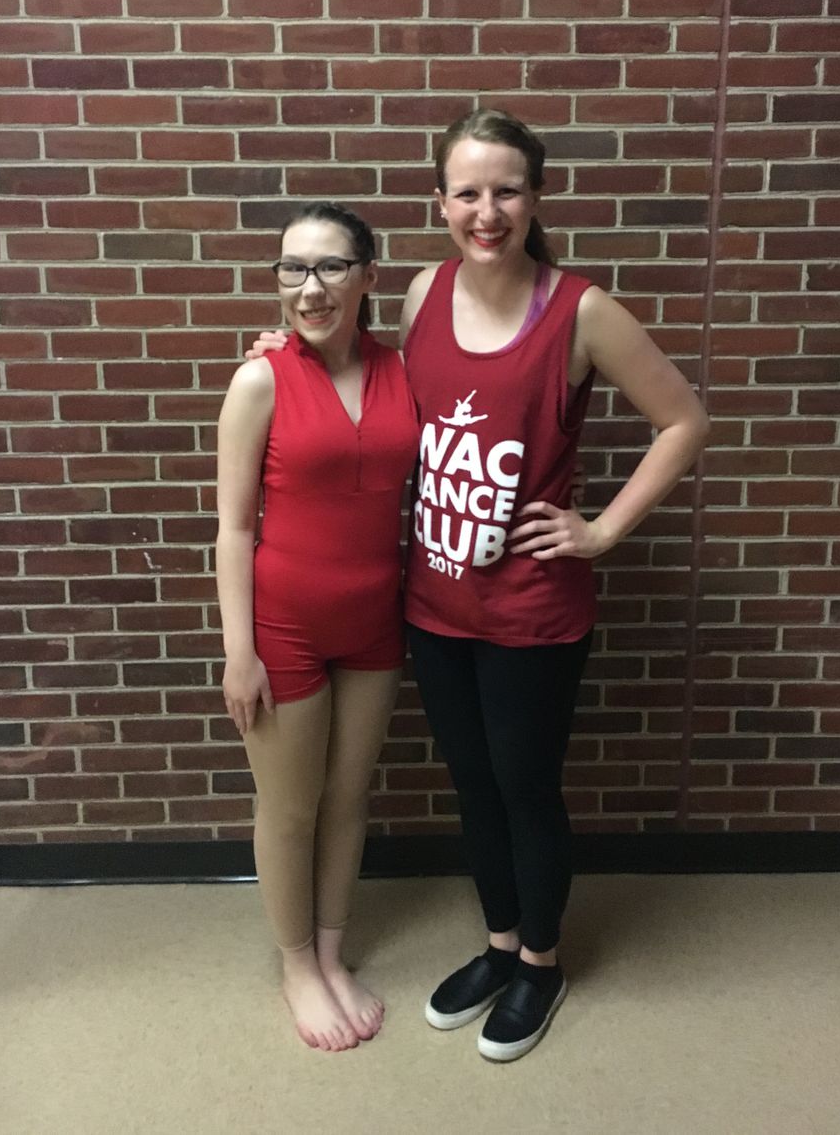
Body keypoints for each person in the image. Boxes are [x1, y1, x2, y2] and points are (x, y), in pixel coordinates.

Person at [251, 108, 710, 1062]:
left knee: (525, 787)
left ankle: (541, 962)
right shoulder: (422, 293)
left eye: (506, 190)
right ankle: (500, 944)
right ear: (442, 202)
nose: (486, 210)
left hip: (533, 611)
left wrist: (603, 529)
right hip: (435, 604)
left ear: (536, 197)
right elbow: (351, 362)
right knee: (473, 786)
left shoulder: (579, 309)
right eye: (467, 191)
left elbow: (684, 420)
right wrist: (277, 350)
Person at [216, 201, 419, 1052]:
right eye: (293, 268)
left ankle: (333, 953)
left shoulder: (404, 370)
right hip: (285, 626)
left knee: (347, 798)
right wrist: (240, 653)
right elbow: (233, 528)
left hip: (375, 621)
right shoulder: (261, 379)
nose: (310, 288)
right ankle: (297, 965)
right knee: (291, 806)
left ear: (369, 276)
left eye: (331, 266)